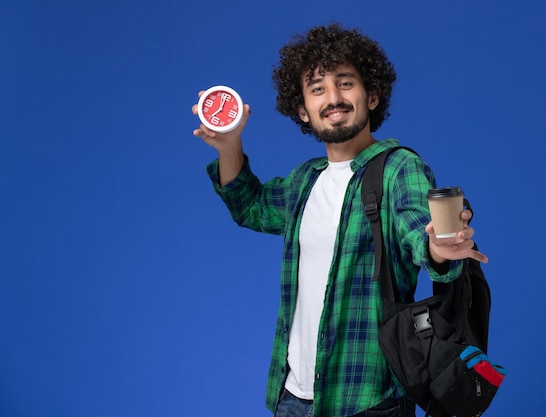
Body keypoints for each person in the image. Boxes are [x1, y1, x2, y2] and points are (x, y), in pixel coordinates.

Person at [191, 23, 488, 417]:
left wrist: (439, 248)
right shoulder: (305, 180)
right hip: (292, 397)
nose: (333, 98)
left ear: (372, 96)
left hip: (367, 399)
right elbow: (250, 205)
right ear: (303, 110)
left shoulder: (400, 169)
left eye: (345, 83)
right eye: (317, 88)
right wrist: (229, 145)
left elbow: (419, 229)